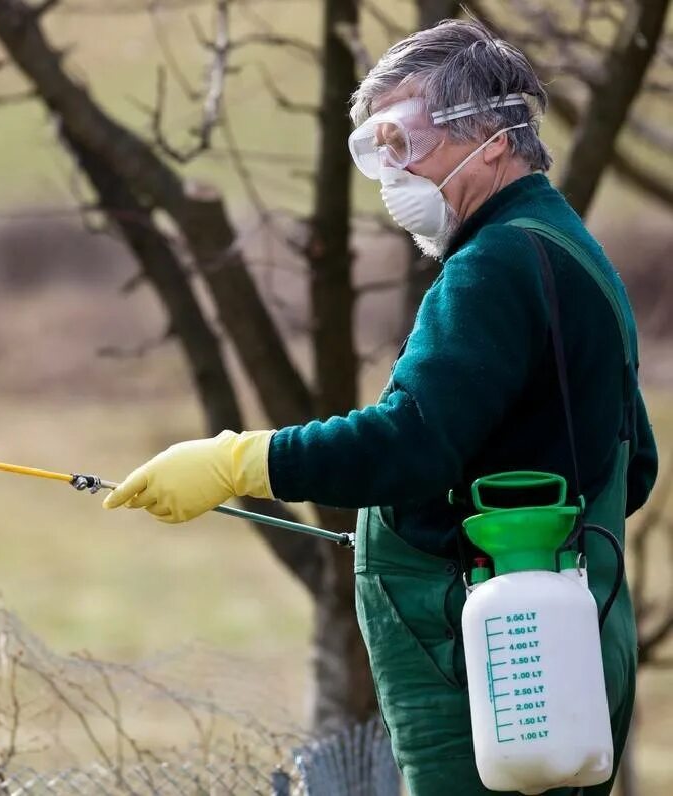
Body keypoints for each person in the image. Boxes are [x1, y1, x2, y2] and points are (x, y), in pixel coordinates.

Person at [102, 19, 659, 796]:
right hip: (572, 645)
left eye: (405, 140)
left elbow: (410, 446)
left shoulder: (492, 268)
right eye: (377, 150)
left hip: (491, 667)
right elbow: (633, 467)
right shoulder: (565, 248)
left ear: (492, 138)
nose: (391, 172)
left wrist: (240, 460)